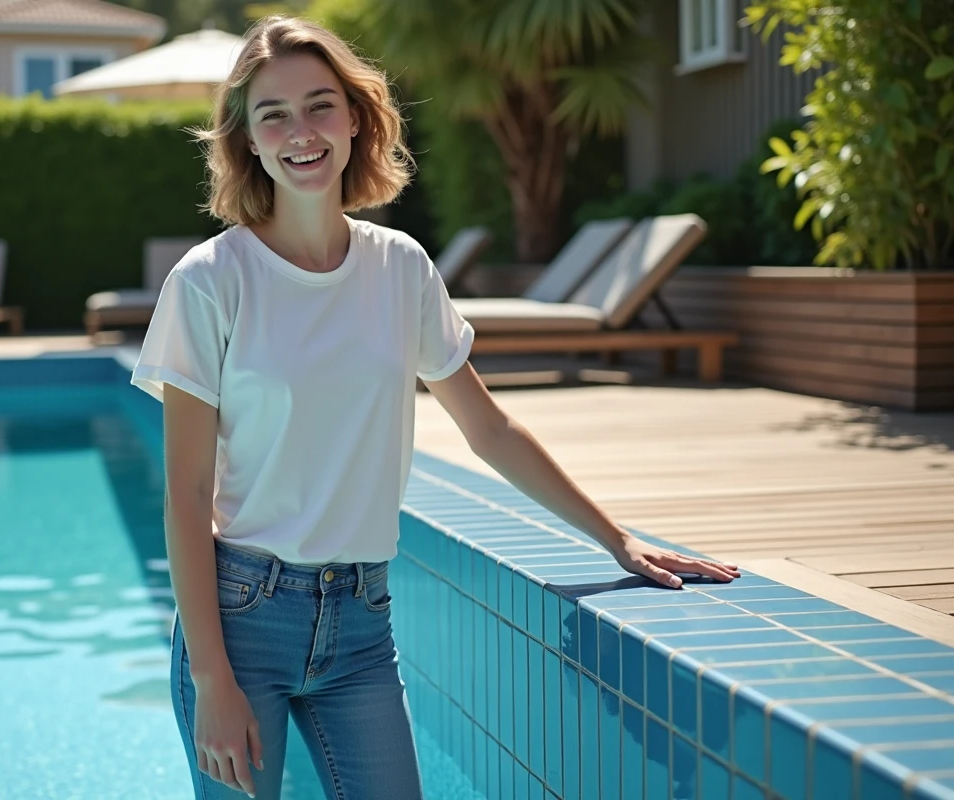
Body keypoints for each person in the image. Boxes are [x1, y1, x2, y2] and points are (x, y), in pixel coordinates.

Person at [130, 15, 741, 800]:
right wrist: (212, 677)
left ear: (356, 117)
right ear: (246, 138)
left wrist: (616, 539)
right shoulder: (211, 281)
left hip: (360, 624)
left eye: (320, 105)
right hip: (244, 618)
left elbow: (488, 427)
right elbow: (185, 495)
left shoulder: (400, 269)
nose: (301, 131)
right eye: (273, 114)